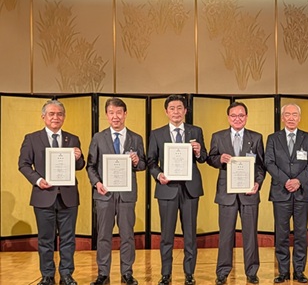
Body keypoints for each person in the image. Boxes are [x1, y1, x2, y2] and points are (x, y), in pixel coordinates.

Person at [18, 99, 86, 285]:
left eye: (59, 114)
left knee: (68, 239)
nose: (56, 117)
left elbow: (80, 166)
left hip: (68, 197)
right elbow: (23, 164)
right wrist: (38, 180)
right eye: (52, 114)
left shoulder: (72, 139)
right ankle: (47, 275)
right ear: (43, 117)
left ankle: (66, 274)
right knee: (45, 239)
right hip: (43, 196)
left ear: (64, 117)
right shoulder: (32, 138)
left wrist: (79, 157)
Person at [147, 95, 208, 285]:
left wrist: (198, 151)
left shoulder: (195, 131)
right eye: (172, 108)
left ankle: (189, 273)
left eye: (179, 108)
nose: (176, 112)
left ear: (185, 111)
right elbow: (151, 161)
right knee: (166, 235)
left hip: (190, 189)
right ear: (166, 112)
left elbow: (203, 158)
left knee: (190, 234)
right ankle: (166, 273)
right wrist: (158, 175)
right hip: (167, 188)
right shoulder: (157, 134)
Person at [86, 97, 146, 285]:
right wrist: (97, 183)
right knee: (103, 235)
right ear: (106, 115)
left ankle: (127, 273)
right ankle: (103, 273)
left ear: (125, 114)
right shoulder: (98, 138)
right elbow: (90, 166)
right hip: (104, 194)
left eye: (119, 112)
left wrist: (137, 162)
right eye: (111, 113)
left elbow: (143, 165)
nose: (115, 116)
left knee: (127, 235)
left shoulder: (136, 138)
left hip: (127, 195)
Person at [207, 101, 265, 285]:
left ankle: (252, 271)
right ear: (228, 117)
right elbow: (210, 158)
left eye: (241, 115)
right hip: (227, 193)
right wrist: (219, 159)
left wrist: (257, 183)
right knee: (225, 235)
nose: (237, 119)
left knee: (250, 234)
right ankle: (222, 271)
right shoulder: (218, 137)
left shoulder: (256, 137)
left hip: (249, 193)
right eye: (234, 115)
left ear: (246, 117)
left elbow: (261, 166)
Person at [264, 103, 308, 284]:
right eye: (287, 114)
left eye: (295, 114)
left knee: (301, 234)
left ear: (299, 118)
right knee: (281, 234)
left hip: (302, 192)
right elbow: (269, 162)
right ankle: (283, 271)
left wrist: (298, 181)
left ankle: (300, 271)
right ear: (282, 118)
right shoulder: (273, 138)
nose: (291, 118)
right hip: (281, 192)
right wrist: (286, 180)